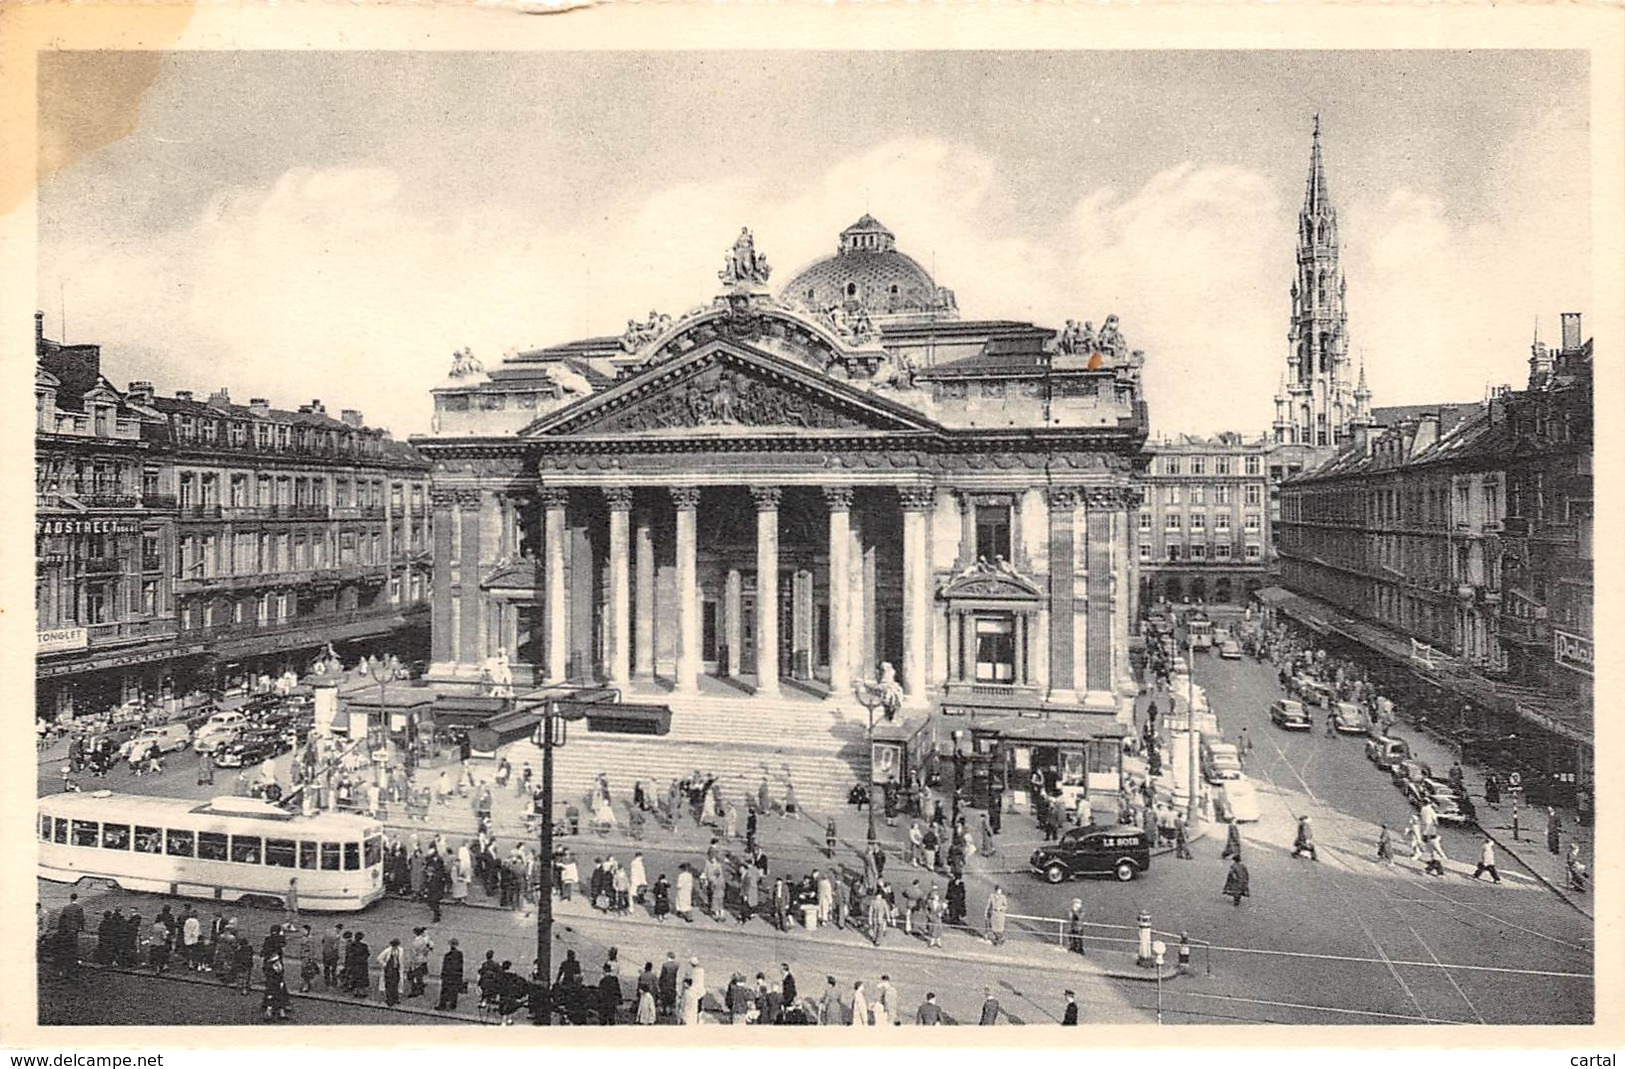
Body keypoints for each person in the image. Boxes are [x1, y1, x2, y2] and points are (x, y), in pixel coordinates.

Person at [437, 938, 465, 1011]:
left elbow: (444, 966)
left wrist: (442, 975)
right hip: (456, 975)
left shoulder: (447, 955)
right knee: (454, 990)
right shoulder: (460, 954)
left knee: (445, 990)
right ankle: (453, 1005)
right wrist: (460, 976)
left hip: (448, 976)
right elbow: (461, 966)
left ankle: (442, 1005)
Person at [379, 938, 404, 1007]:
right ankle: (389, 999)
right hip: (389, 970)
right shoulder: (387, 951)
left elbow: (401, 959)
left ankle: (395, 998)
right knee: (389, 984)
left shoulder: (400, 950)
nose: (395, 947)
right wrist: (384, 965)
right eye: (394, 946)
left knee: (395, 983)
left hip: (396, 970)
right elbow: (379, 958)